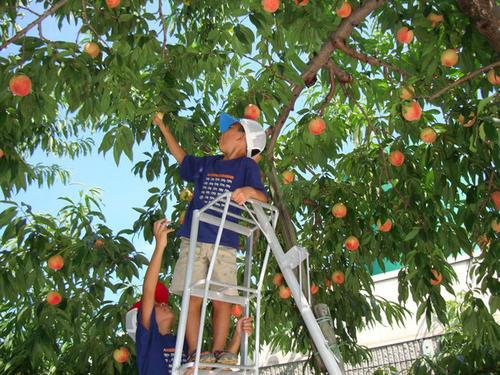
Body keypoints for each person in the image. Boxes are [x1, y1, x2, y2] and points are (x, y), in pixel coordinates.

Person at [152, 111, 267, 365]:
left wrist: (248, 190)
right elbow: (182, 158)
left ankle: (218, 351)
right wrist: (163, 127)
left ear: (242, 139)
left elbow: (262, 197)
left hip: (224, 242)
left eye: (228, 130)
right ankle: (195, 351)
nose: (221, 134)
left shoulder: (246, 166)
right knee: (192, 296)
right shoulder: (209, 163)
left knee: (222, 298)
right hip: (193, 238)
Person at [126, 219, 253, 374]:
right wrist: (160, 247)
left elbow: (217, 368)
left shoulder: (183, 342)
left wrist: (237, 336)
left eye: (162, 302)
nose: (164, 304)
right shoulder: (149, 341)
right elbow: (148, 290)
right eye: (157, 304)